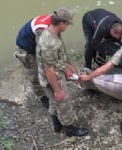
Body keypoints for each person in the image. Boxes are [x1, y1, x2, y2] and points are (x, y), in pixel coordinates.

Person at [36, 8, 89, 137]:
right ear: (61, 23)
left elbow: (58, 55)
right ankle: (70, 129)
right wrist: (58, 90)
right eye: (67, 24)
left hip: (52, 75)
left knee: (54, 102)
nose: (68, 26)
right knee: (63, 103)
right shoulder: (49, 43)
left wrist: (67, 65)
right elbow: (49, 70)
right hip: (53, 78)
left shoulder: (52, 31)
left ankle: (57, 125)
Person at [14, 14, 52, 108]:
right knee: (35, 75)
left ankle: (48, 82)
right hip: (26, 50)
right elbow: (41, 51)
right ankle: (42, 97)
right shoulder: (42, 29)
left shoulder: (52, 20)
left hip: (32, 43)